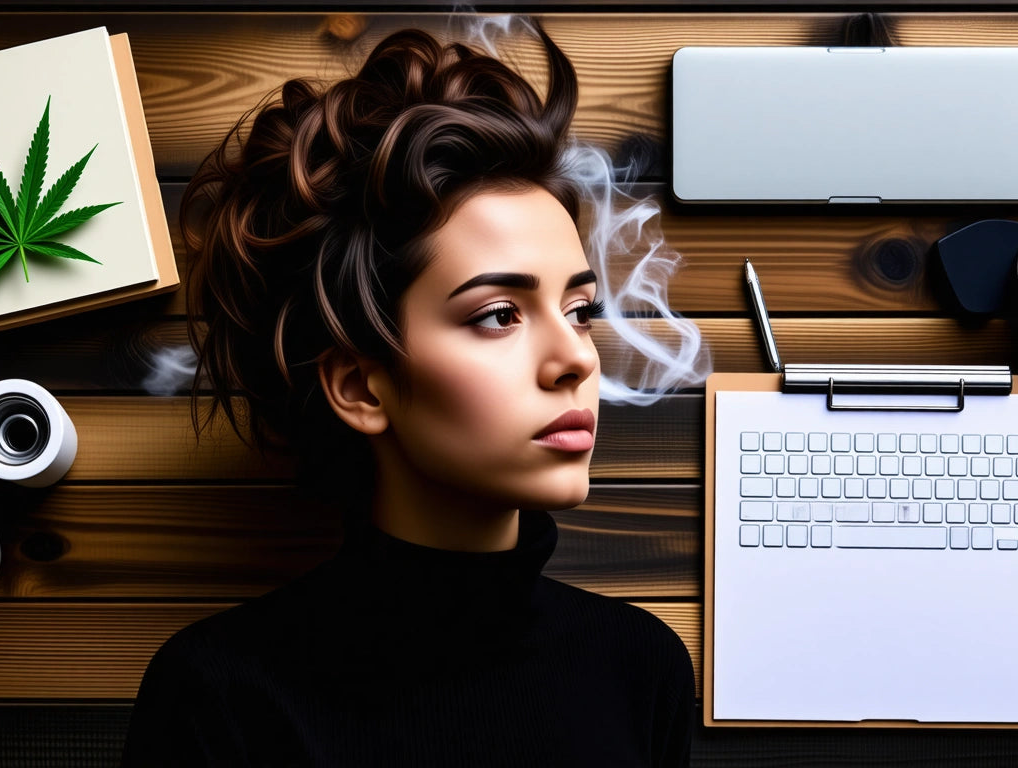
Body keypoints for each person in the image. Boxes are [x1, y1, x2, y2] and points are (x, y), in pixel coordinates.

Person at [122, 21, 695, 767]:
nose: (574, 360)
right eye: (499, 315)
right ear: (362, 386)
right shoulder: (222, 699)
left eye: (579, 310)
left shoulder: (640, 670)